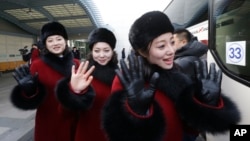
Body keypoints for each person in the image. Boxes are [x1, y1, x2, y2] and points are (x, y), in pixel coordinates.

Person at [102, 11, 241, 141]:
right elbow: (118, 134)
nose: (171, 51)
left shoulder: (177, 73)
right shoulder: (127, 81)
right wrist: (136, 114)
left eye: (172, 42)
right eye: (161, 46)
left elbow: (190, 129)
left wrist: (207, 105)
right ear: (143, 52)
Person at [10, 21, 92, 141]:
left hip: (75, 120)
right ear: (45, 44)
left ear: (65, 41)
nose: (55, 43)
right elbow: (33, 100)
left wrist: (80, 91)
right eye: (50, 40)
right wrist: (29, 92)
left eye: (59, 39)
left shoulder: (77, 64)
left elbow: (87, 94)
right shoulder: (38, 65)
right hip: (48, 123)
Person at [55, 27, 118, 141]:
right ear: (91, 51)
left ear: (113, 51)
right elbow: (64, 114)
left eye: (106, 50)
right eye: (97, 50)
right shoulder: (82, 75)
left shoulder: (120, 75)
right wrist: (73, 92)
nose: (102, 55)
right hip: (86, 134)